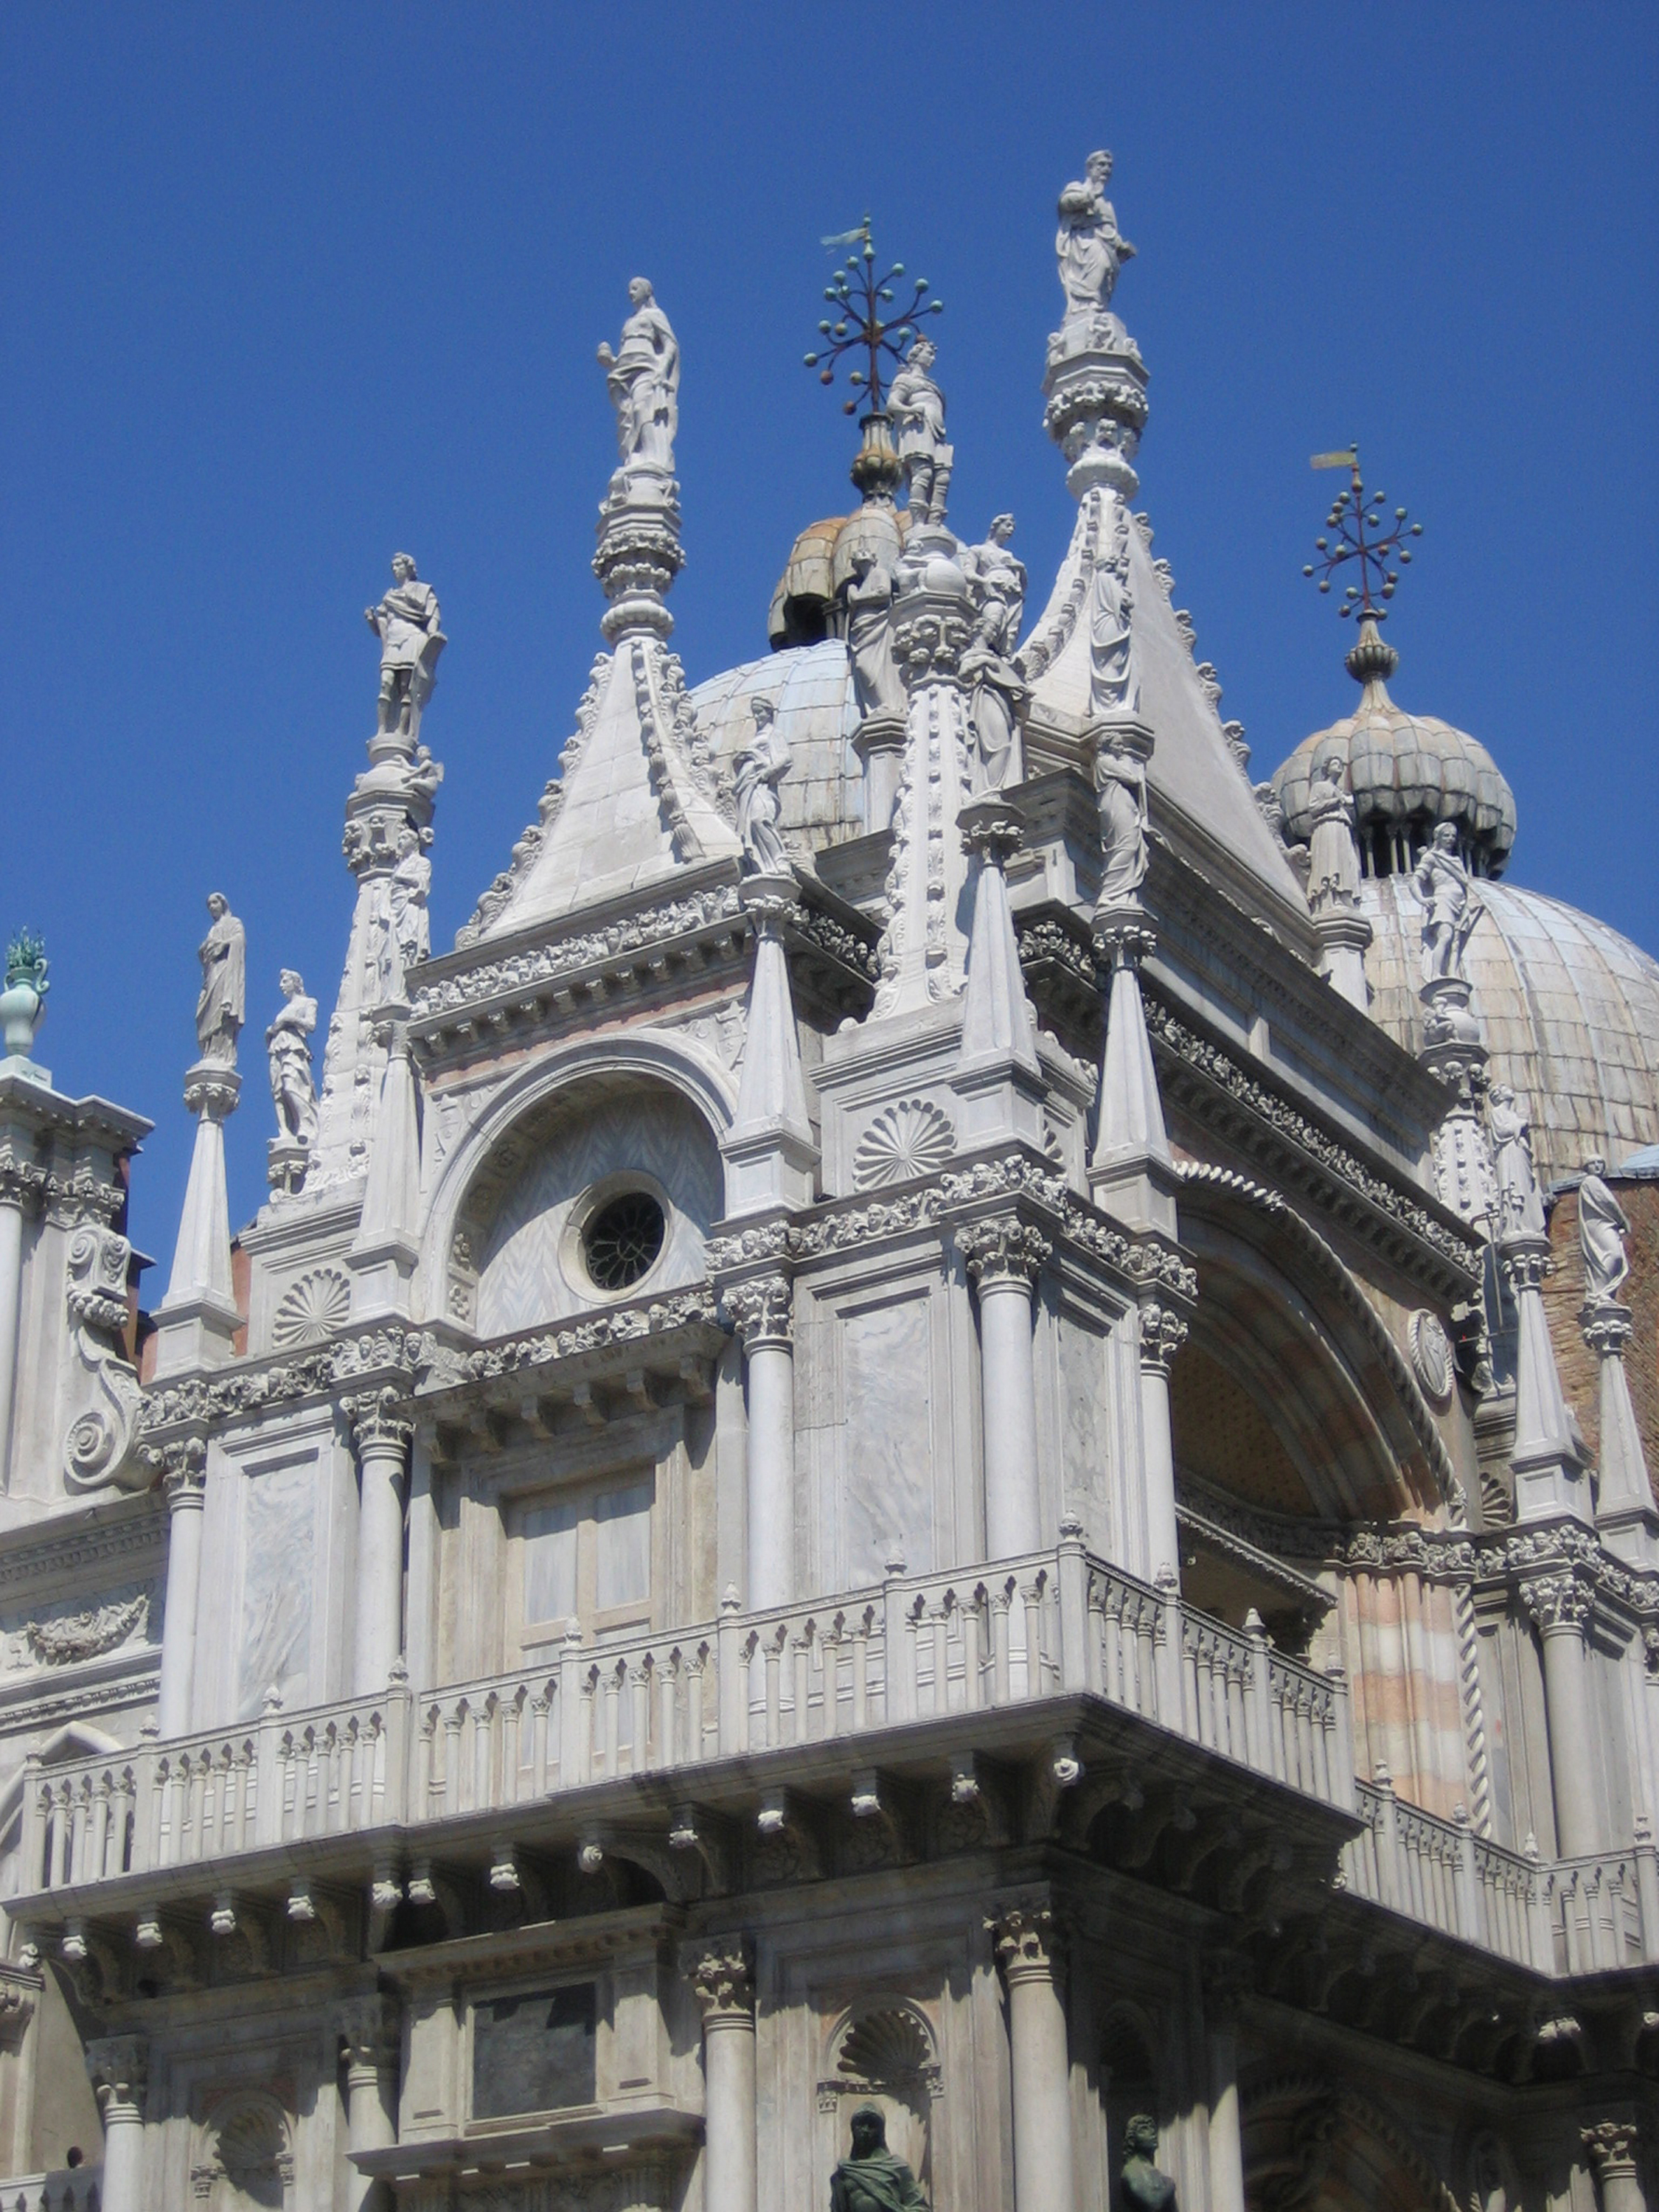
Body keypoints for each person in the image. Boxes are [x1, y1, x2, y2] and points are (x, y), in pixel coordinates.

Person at [597, 278, 680, 470]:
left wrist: (662, 369)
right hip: (623, 372)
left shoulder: (655, 315)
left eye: (635, 289)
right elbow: (626, 353)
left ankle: (653, 457)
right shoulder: (629, 322)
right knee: (628, 414)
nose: (631, 293)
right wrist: (611, 361)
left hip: (647, 368)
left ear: (646, 291)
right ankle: (633, 456)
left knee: (642, 408)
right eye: (630, 289)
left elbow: (670, 343)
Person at [364, 554, 443, 737]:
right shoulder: (389, 597)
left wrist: (432, 635)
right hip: (393, 644)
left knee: (406, 688)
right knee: (386, 683)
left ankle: (401, 730)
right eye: (393, 566)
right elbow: (382, 628)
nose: (395, 569)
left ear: (408, 568)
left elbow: (434, 614)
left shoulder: (423, 591)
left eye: (398, 565)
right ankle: (382, 729)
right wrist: (372, 620)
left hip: (412, 639)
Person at [1057, 149, 1136, 325]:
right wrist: (1089, 197)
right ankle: (1086, 307)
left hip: (1105, 246)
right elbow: (1065, 203)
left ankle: (1095, 305)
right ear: (1090, 168)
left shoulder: (1107, 205)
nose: (1106, 169)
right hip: (1085, 243)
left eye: (1109, 166)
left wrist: (1121, 246)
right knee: (1101, 265)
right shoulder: (1078, 188)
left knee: (1105, 270)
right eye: (1101, 165)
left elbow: (1108, 229)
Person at [888, 337, 951, 528]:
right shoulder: (906, 379)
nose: (933, 358)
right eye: (929, 354)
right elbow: (892, 404)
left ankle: (935, 521)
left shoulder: (932, 384)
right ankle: (918, 522)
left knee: (942, 476)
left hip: (936, 431)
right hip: (918, 428)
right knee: (923, 472)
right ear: (916, 355)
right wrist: (910, 410)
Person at [1411, 822, 1481, 987]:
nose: (1450, 839)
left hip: (1460, 903)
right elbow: (1414, 881)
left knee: (1455, 942)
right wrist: (1422, 899)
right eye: (1446, 835)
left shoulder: (1456, 861)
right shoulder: (1432, 857)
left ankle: (1451, 973)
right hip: (1443, 900)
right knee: (1446, 936)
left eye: (1453, 836)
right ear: (1438, 838)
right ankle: (1436, 973)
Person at [830, 2104, 928, 2212]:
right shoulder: (845, 2171)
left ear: (880, 2132)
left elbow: (920, 2208)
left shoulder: (897, 2167)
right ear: (853, 2130)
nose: (865, 2130)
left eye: (871, 2125)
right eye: (861, 2125)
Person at [732, 698, 791, 874]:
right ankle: (765, 865)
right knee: (750, 824)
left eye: (760, 712)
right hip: (748, 785)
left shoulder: (774, 734)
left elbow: (786, 759)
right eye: (755, 713)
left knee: (760, 819)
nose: (757, 717)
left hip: (762, 785)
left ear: (769, 713)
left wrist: (766, 773)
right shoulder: (758, 737)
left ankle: (780, 861)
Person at [844, 551, 903, 719]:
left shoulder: (880, 573)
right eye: (858, 555)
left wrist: (858, 599)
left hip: (878, 625)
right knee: (862, 666)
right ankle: (877, 705)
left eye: (866, 553)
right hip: (860, 630)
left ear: (874, 559)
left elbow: (884, 594)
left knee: (874, 666)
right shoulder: (859, 585)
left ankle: (885, 704)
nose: (862, 555)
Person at [1094, 734, 1148, 910]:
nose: (1121, 748)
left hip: (1119, 805)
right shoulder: (1106, 762)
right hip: (1116, 806)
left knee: (1127, 845)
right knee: (1127, 844)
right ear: (1108, 746)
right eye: (1117, 744)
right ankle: (1110, 891)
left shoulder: (1110, 762)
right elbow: (1133, 779)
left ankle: (1120, 890)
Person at [266, 971, 319, 1145]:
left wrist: (289, 1020)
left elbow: (311, 1025)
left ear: (295, 983)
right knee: (279, 1092)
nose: (281, 985)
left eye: (285, 981)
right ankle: (285, 1131)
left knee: (292, 1086)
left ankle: (307, 1126)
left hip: (294, 1049)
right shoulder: (284, 1009)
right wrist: (271, 1031)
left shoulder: (309, 1002)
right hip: (277, 1050)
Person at [195, 893, 246, 1067]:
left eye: (214, 903)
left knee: (221, 1011)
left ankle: (221, 1051)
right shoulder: (213, 929)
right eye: (209, 905)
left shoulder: (234, 923)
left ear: (223, 904)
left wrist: (224, 944)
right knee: (206, 1011)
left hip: (226, 971)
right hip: (212, 973)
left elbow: (239, 941)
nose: (212, 907)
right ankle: (209, 1050)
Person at [1305, 751, 1361, 911]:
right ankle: (1331, 896)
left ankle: (1345, 895)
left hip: (1341, 828)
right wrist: (1336, 801)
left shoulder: (1341, 791)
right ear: (1327, 769)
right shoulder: (1319, 787)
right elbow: (1313, 808)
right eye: (1335, 764)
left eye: (1341, 764)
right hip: (1327, 826)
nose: (1339, 766)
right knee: (1331, 860)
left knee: (1348, 863)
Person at [1488, 1084, 1545, 1238]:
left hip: (1520, 1152)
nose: (1511, 1090)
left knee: (1524, 1186)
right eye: (1506, 1089)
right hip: (1509, 1153)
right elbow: (1501, 1132)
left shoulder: (1512, 1114)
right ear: (1499, 1096)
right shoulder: (1497, 1112)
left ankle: (1527, 1223)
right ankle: (1515, 1225)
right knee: (1513, 1187)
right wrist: (1520, 1124)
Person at [1578, 1156, 1631, 1305]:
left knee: (1610, 1257)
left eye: (1600, 1163)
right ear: (1586, 1167)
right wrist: (1623, 1221)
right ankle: (1601, 1292)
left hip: (1604, 1224)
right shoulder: (1591, 1181)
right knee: (1613, 1255)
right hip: (1600, 1225)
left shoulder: (1594, 1183)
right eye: (1593, 1163)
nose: (1597, 1166)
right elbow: (1608, 1202)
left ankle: (1603, 1292)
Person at [389, 827, 433, 978]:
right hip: (396, 904)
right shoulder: (399, 864)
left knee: (408, 942)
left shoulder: (422, 862)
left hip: (410, 903)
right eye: (399, 839)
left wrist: (402, 877)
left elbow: (422, 882)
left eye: (404, 838)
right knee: (393, 943)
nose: (400, 842)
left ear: (414, 842)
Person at [1120, 2114, 1176, 2212]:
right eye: (1144, 2130)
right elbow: (1153, 2202)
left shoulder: (1149, 2168)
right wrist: (1170, 2185)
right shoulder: (1132, 2169)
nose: (1152, 2133)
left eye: (1152, 2128)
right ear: (1132, 2140)